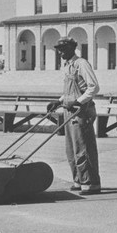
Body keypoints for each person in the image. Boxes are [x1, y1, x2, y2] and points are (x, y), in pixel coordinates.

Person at [46, 37, 101, 195]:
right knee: (71, 148)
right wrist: (58, 101)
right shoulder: (68, 66)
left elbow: (93, 87)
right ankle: (79, 180)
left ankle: (91, 183)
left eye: (63, 49)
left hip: (81, 112)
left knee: (83, 147)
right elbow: (70, 90)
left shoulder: (81, 64)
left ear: (72, 48)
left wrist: (78, 101)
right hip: (69, 110)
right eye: (58, 49)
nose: (60, 52)